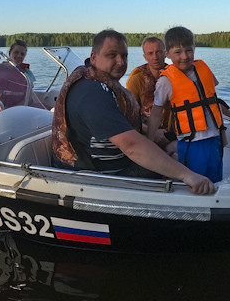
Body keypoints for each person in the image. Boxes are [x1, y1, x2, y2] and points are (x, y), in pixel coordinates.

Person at [51, 30, 215, 195]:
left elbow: (118, 125)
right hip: (100, 174)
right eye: (112, 55)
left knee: (176, 150)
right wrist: (187, 175)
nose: (120, 62)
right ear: (94, 57)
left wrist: (149, 133)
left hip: (119, 158)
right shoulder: (92, 92)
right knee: (183, 164)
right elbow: (131, 146)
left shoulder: (101, 81)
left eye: (124, 55)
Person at [148, 26, 230, 183]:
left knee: (216, 180)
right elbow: (156, 113)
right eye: (178, 52)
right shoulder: (165, 81)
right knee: (197, 183)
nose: (184, 56)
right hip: (192, 143)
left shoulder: (204, 70)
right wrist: (149, 142)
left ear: (194, 49)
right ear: (167, 54)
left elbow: (212, 101)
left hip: (215, 139)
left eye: (189, 50)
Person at [126, 36, 176, 155]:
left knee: (177, 151)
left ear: (165, 53)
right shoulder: (136, 80)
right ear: (145, 56)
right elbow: (128, 116)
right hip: (145, 133)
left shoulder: (175, 76)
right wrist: (151, 131)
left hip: (172, 133)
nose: (155, 57)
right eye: (150, 53)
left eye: (158, 52)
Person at [0, 40, 36, 108]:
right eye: (16, 52)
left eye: (22, 54)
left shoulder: (27, 74)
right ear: (9, 53)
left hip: (21, 110)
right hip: (0, 110)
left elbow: (28, 100)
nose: (19, 56)